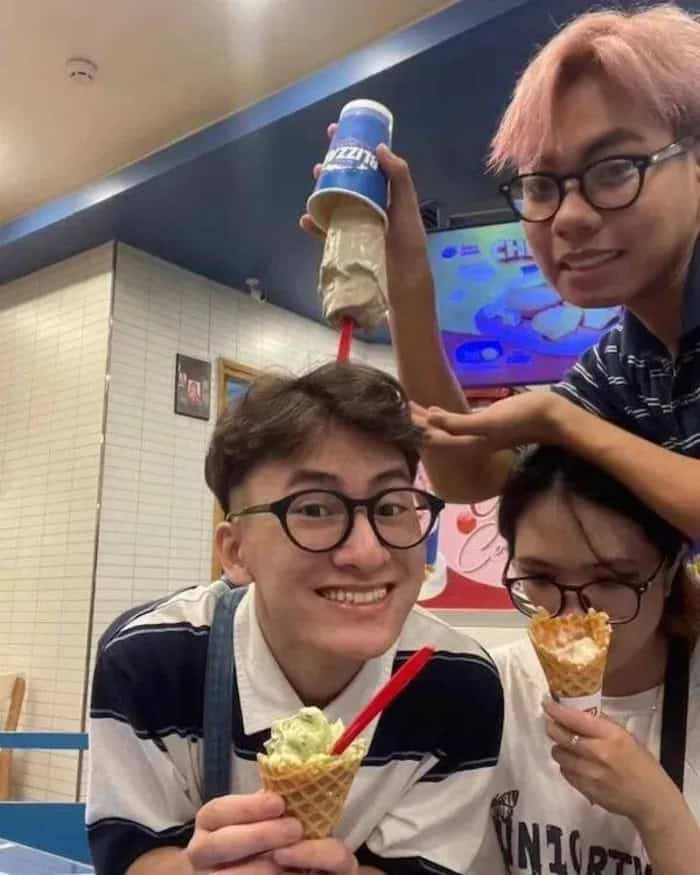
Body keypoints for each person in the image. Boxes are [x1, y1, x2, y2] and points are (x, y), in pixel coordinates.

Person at [86, 361, 504, 875]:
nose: (368, 553)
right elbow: (132, 856)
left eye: (391, 507)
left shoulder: (457, 682)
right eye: (315, 509)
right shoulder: (150, 660)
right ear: (235, 551)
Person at [301, 4, 700, 539]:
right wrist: (405, 274)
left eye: (614, 170)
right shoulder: (626, 363)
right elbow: (465, 474)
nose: (569, 217)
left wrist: (559, 421)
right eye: (540, 186)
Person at [473, 445, 700, 875]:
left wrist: (659, 813)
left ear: (670, 573)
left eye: (612, 580)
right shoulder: (487, 689)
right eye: (540, 577)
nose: (573, 616)